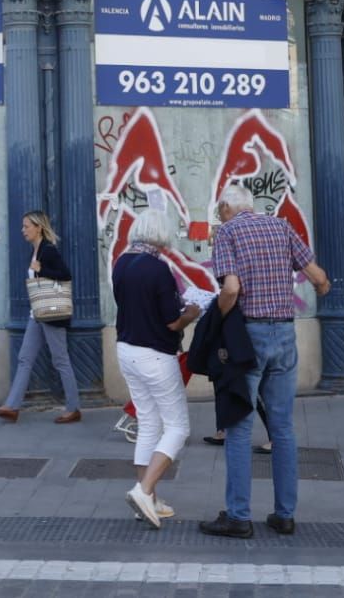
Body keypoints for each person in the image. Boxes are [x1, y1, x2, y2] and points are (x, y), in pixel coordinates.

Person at [200, 185, 330, 539]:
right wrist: (321, 289)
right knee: (282, 427)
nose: (219, 216)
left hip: (249, 339)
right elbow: (318, 277)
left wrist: (220, 321)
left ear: (227, 207)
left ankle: (239, 517)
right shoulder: (282, 226)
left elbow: (230, 289)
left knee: (240, 427)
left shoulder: (227, 232)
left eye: (219, 210)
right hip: (284, 336)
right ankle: (284, 515)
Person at [113, 208, 201, 528]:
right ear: (161, 234)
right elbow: (172, 320)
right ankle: (144, 489)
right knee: (178, 427)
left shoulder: (122, 262)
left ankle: (148, 498)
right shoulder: (158, 269)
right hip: (155, 355)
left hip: (126, 349)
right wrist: (193, 311)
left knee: (149, 422)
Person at [0, 211, 82, 424]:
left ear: (38, 227)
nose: (23, 230)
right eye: (23, 226)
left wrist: (42, 269)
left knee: (60, 360)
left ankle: (74, 408)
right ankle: (12, 407)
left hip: (51, 314)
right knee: (24, 359)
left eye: (26, 226)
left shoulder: (48, 250)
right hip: (37, 313)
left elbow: (66, 275)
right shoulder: (36, 250)